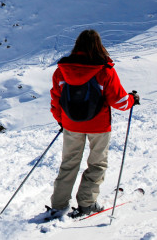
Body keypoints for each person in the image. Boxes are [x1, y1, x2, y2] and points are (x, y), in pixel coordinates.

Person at [46, 29, 140, 219]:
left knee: (69, 163)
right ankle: (87, 203)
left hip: (71, 125)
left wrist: (61, 120)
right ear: (98, 46)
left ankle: (58, 204)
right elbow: (119, 101)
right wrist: (132, 99)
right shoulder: (105, 71)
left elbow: (56, 99)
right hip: (99, 126)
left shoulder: (62, 71)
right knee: (97, 164)